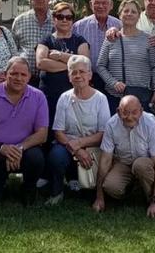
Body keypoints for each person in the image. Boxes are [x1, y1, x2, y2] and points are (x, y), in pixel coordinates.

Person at [0, 57, 48, 205]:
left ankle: (29, 188)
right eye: (14, 73)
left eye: (23, 75)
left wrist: (18, 149)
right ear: (6, 74)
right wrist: (0, 147)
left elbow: (42, 134)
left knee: (36, 157)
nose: (18, 78)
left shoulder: (38, 97)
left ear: (29, 77)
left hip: (24, 153)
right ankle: (0, 179)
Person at [45, 55, 110, 205]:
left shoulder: (101, 99)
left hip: (93, 145)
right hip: (68, 145)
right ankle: (57, 191)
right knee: (56, 157)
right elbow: (58, 132)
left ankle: (90, 187)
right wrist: (77, 150)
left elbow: (103, 133)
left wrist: (80, 143)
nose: (78, 75)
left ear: (90, 75)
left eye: (82, 71)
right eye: (74, 72)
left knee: (87, 194)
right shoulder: (64, 98)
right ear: (69, 76)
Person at [92, 95, 155, 218]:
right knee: (110, 187)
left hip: (145, 163)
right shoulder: (111, 124)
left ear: (141, 111)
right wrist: (99, 197)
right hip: (123, 162)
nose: (130, 117)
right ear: (118, 112)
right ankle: (133, 192)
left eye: (134, 112)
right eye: (125, 113)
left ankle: (153, 199)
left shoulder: (151, 123)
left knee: (140, 165)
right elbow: (105, 160)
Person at [96, 0, 155, 114]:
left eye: (133, 11)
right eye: (126, 11)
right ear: (119, 15)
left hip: (141, 96)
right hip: (114, 97)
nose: (129, 14)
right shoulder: (111, 38)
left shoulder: (149, 39)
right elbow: (100, 66)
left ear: (139, 16)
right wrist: (113, 83)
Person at [35, 2, 89, 130]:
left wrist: (60, 55)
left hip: (74, 96)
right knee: (48, 129)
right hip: (49, 95)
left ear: (72, 20)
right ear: (54, 19)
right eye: (60, 17)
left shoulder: (80, 40)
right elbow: (41, 62)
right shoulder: (46, 40)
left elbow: (85, 62)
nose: (64, 20)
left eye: (68, 17)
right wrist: (72, 65)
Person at [72, 0, 121, 94]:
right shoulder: (78, 27)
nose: (101, 6)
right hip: (88, 80)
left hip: (114, 80)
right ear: (91, 4)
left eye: (104, 3)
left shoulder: (119, 25)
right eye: (97, 3)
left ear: (111, 5)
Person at [12, 0, 54, 87]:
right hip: (23, 79)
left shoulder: (59, 20)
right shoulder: (19, 20)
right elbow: (13, 50)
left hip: (51, 78)